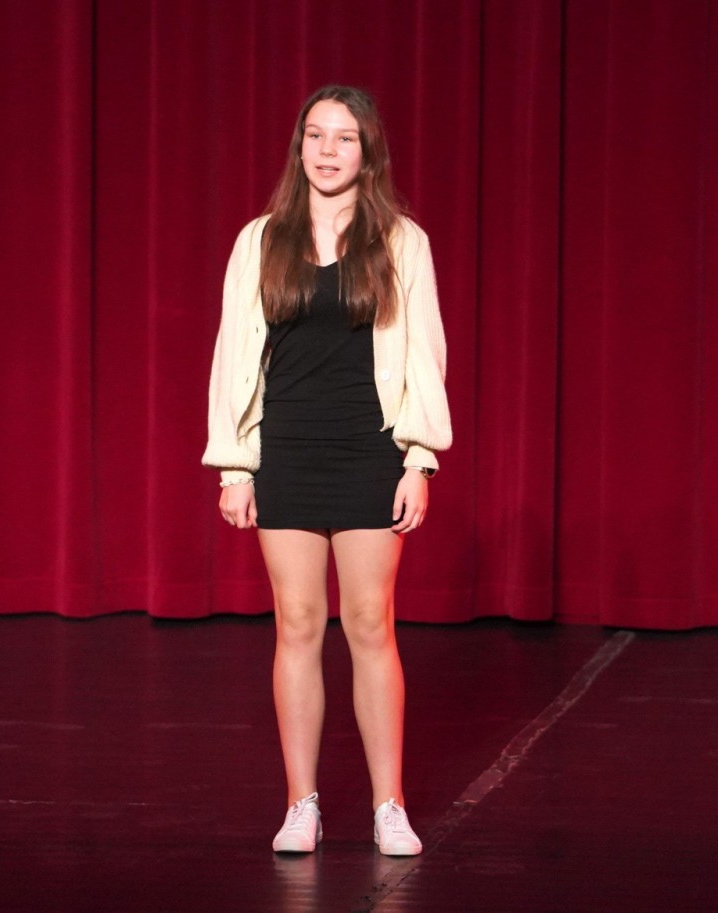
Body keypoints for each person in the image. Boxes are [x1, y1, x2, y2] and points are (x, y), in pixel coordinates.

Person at [202, 85, 451, 856]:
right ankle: (300, 803)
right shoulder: (261, 239)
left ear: (367, 151)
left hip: (369, 450)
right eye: (316, 135)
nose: (329, 150)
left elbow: (425, 355)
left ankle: (389, 805)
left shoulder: (401, 241)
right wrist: (234, 465)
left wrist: (419, 459)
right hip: (288, 451)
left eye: (345, 137)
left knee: (371, 623)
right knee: (299, 623)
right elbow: (234, 357)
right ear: (299, 146)